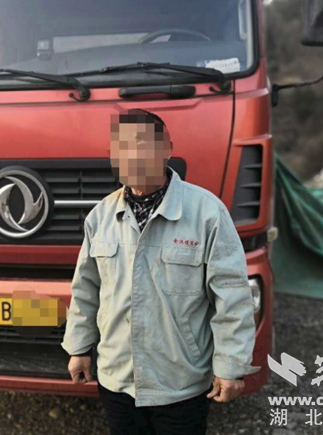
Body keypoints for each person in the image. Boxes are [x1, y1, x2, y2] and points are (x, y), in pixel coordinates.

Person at [61, 108, 260, 434]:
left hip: (180, 382)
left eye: (141, 144)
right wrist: (79, 348)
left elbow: (232, 295)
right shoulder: (100, 216)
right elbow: (86, 289)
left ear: (166, 148)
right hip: (117, 377)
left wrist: (230, 365)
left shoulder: (207, 213)